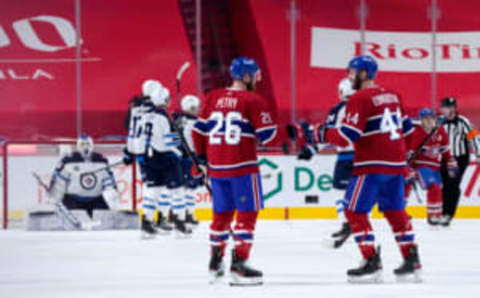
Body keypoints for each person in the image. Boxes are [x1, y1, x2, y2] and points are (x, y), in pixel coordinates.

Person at [312, 55, 421, 283]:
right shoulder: (393, 96)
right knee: (395, 212)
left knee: (353, 212)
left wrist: (320, 133)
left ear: (363, 74)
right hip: (395, 165)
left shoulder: (359, 98)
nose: (348, 77)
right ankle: (412, 261)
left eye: (351, 72)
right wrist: (405, 159)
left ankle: (371, 262)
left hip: (370, 165)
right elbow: (409, 132)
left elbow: (346, 137)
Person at [192, 57, 277, 286]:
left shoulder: (212, 97)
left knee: (221, 216)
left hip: (217, 169)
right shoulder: (253, 100)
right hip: (242, 167)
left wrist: (200, 158)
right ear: (247, 76)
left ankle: (214, 263)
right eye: (255, 75)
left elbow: (197, 131)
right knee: (247, 215)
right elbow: (267, 135)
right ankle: (239, 264)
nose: (257, 80)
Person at [294, 74, 356, 249]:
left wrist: (312, 148)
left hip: (346, 157)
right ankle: (356, 224)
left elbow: (329, 134)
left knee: (339, 192)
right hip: (364, 157)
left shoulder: (338, 109)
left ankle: (347, 224)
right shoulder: (364, 108)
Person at [133, 79, 192, 238]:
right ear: (165, 100)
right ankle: (180, 223)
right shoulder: (164, 117)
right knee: (177, 191)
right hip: (165, 158)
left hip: (147, 158)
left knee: (153, 190)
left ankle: (147, 223)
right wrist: (183, 153)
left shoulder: (143, 115)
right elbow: (170, 142)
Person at [405, 108, 457, 226]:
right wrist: (410, 170)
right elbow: (411, 155)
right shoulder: (416, 133)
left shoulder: (441, 131)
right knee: (434, 187)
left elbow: (445, 150)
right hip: (421, 166)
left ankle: (436, 214)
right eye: (425, 119)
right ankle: (432, 216)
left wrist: (450, 161)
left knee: (436, 189)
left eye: (431, 118)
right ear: (421, 120)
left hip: (435, 167)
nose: (429, 121)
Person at [49, 136, 119, 218]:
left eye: (88, 144)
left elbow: (109, 183)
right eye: (82, 144)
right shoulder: (68, 161)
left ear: (92, 146)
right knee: (68, 220)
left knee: (105, 218)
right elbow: (59, 183)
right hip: (73, 200)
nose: (85, 146)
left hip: (96, 200)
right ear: (78, 146)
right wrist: (54, 198)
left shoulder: (101, 160)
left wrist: (112, 197)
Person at [439, 97, 480, 226]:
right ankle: (444, 212)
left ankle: (448, 214)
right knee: (445, 186)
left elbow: (474, 137)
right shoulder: (439, 122)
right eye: (445, 107)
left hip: (459, 158)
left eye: (450, 107)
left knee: (452, 184)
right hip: (443, 158)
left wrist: (478, 153)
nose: (448, 110)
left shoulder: (463, 122)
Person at [175, 94, 202, 227]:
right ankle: (187, 214)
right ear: (191, 108)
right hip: (190, 159)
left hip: (180, 158)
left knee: (186, 189)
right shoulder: (192, 123)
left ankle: (184, 213)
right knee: (190, 189)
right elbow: (192, 143)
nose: (198, 110)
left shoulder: (179, 121)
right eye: (196, 107)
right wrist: (198, 157)